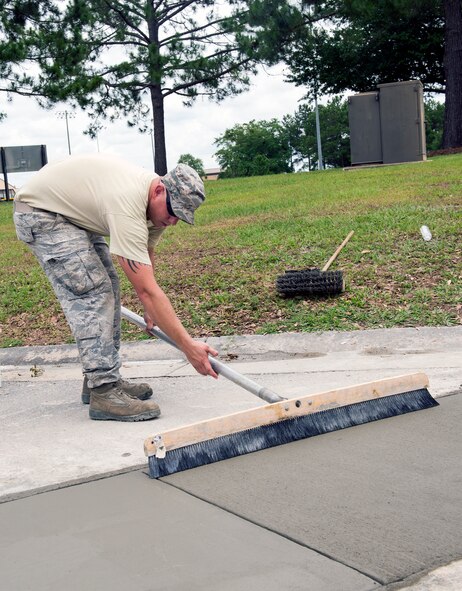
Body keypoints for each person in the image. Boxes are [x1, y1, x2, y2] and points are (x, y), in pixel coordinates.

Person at [13, 153, 218, 422]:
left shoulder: (156, 209)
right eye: (173, 212)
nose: (173, 221)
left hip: (71, 214)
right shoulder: (128, 203)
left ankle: (102, 377)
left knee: (110, 286)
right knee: (93, 294)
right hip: (41, 213)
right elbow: (147, 291)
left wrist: (151, 309)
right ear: (159, 190)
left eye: (180, 216)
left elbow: (145, 258)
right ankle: (103, 390)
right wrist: (188, 347)